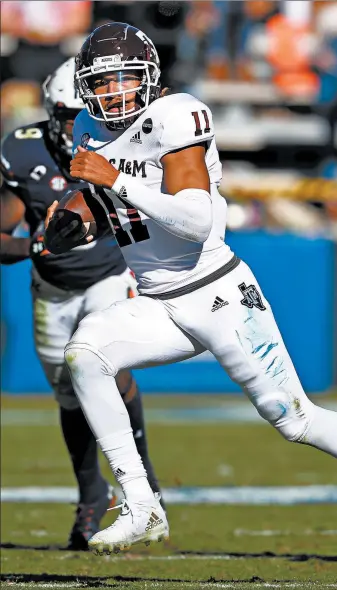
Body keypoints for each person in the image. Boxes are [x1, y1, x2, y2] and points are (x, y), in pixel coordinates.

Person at [43, 22, 337, 575]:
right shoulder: (91, 130)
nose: (114, 92)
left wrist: (115, 181)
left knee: (294, 419)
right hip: (158, 301)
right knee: (86, 355)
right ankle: (142, 505)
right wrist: (75, 217)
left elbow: (196, 220)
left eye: (125, 78)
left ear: (149, 77)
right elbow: (102, 203)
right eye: (102, 82)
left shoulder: (175, 115)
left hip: (217, 295)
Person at [0, 58, 161, 550]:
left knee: (109, 370)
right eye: (69, 117)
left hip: (110, 276)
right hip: (53, 288)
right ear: (52, 115)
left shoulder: (125, 145)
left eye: (85, 114)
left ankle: (144, 484)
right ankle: (92, 489)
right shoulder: (22, 153)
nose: (79, 126)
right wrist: (36, 246)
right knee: (70, 394)